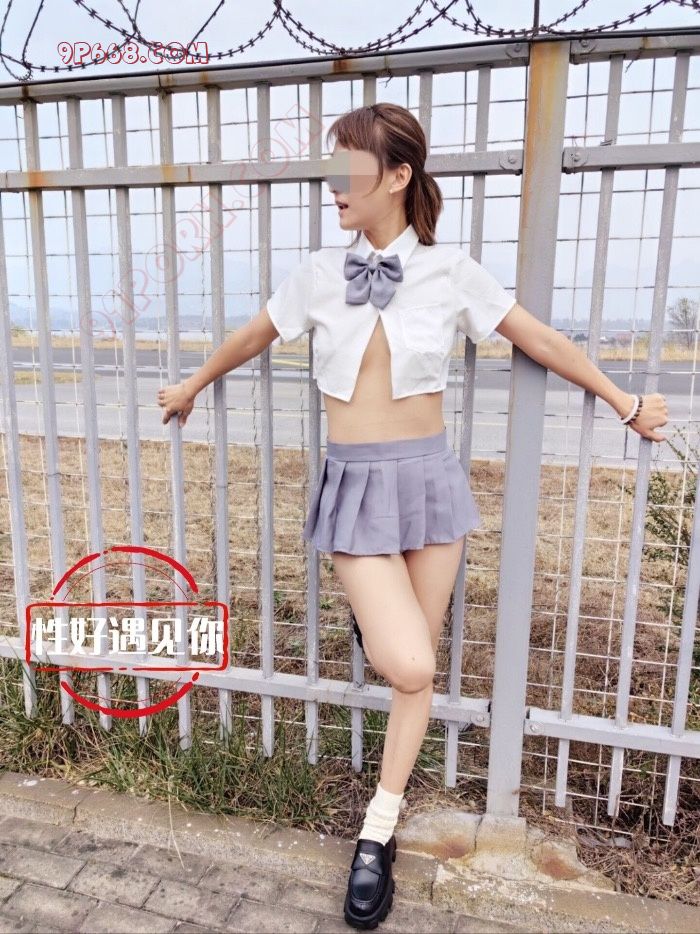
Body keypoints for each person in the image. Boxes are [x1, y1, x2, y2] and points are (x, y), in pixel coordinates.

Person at [157, 102, 669, 930]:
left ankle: (378, 830)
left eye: (351, 168)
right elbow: (253, 336)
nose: (335, 185)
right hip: (356, 486)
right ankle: (376, 633)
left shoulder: (449, 270)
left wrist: (624, 401)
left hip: (430, 486)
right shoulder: (319, 274)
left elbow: (538, 339)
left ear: (397, 176)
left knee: (414, 676)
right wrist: (191, 384)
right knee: (411, 663)